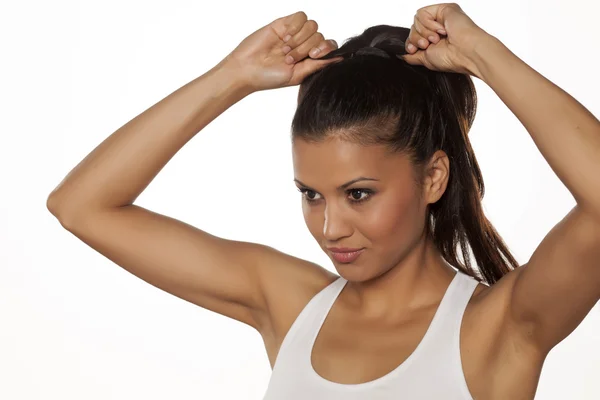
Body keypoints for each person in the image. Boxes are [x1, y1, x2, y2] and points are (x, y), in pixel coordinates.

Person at [47, 3, 600, 399]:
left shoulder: (498, 329)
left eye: (359, 194)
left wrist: (484, 54)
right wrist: (232, 76)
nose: (330, 227)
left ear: (433, 178)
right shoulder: (291, 306)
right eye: (311, 195)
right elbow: (80, 205)